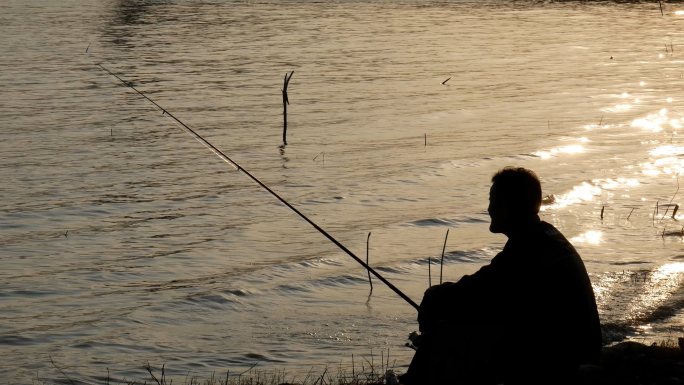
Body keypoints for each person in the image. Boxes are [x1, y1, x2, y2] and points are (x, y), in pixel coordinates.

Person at [399, 167, 602, 385]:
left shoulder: (526, 249)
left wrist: (432, 297)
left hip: (561, 364)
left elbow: (478, 291)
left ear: (507, 205)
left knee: (446, 333)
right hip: (579, 351)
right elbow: (490, 289)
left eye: (492, 201)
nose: (489, 209)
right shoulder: (547, 236)